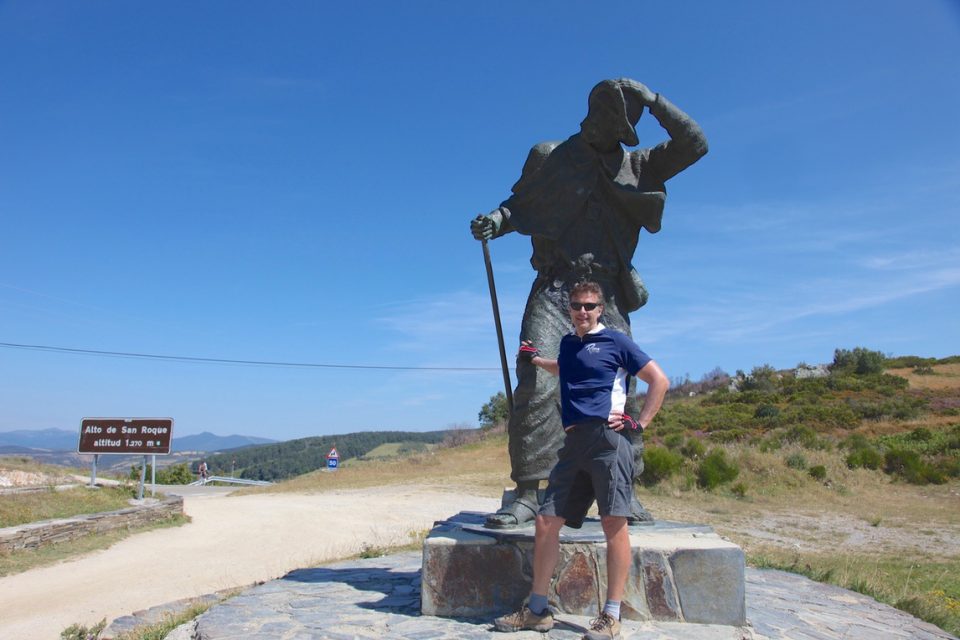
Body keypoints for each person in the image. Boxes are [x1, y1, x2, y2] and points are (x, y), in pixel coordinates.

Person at [471, 78, 706, 528]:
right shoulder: (551, 156)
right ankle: (528, 492)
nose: (596, 123)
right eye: (598, 112)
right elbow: (520, 205)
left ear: (622, 130)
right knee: (537, 382)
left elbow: (695, 144)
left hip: (606, 294)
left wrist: (653, 100)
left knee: (617, 391)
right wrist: (496, 222)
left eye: (611, 119)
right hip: (555, 288)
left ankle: (621, 490)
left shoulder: (640, 167)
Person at [493, 281, 669, 639]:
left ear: (600, 309)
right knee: (546, 520)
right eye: (577, 306)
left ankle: (611, 615)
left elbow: (659, 380)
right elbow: (567, 368)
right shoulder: (569, 344)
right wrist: (536, 360)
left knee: (613, 523)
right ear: (570, 309)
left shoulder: (616, 342)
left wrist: (640, 423)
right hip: (573, 444)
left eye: (589, 306)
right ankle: (537, 610)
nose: (583, 311)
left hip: (607, 441)